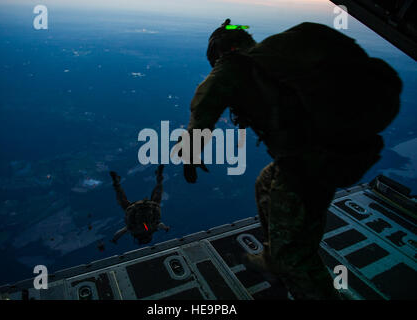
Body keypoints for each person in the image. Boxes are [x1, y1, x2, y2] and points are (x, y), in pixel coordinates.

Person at [175, 19, 402, 299]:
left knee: (296, 260)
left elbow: (203, 109)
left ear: (218, 51)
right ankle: (275, 259)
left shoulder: (233, 66)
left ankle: (287, 264)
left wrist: (189, 156)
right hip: (334, 154)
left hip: (308, 166)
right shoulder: (277, 61)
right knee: (266, 183)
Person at [110, 164, 170, 245]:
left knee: (158, 192)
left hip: (149, 205)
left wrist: (165, 228)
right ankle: (116, 184)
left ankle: (159, 178)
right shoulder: (133, 230)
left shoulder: (152, 228)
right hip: (133, 208)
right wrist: (114, 239)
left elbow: (161, 224)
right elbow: (119, 233)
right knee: (122, 199)